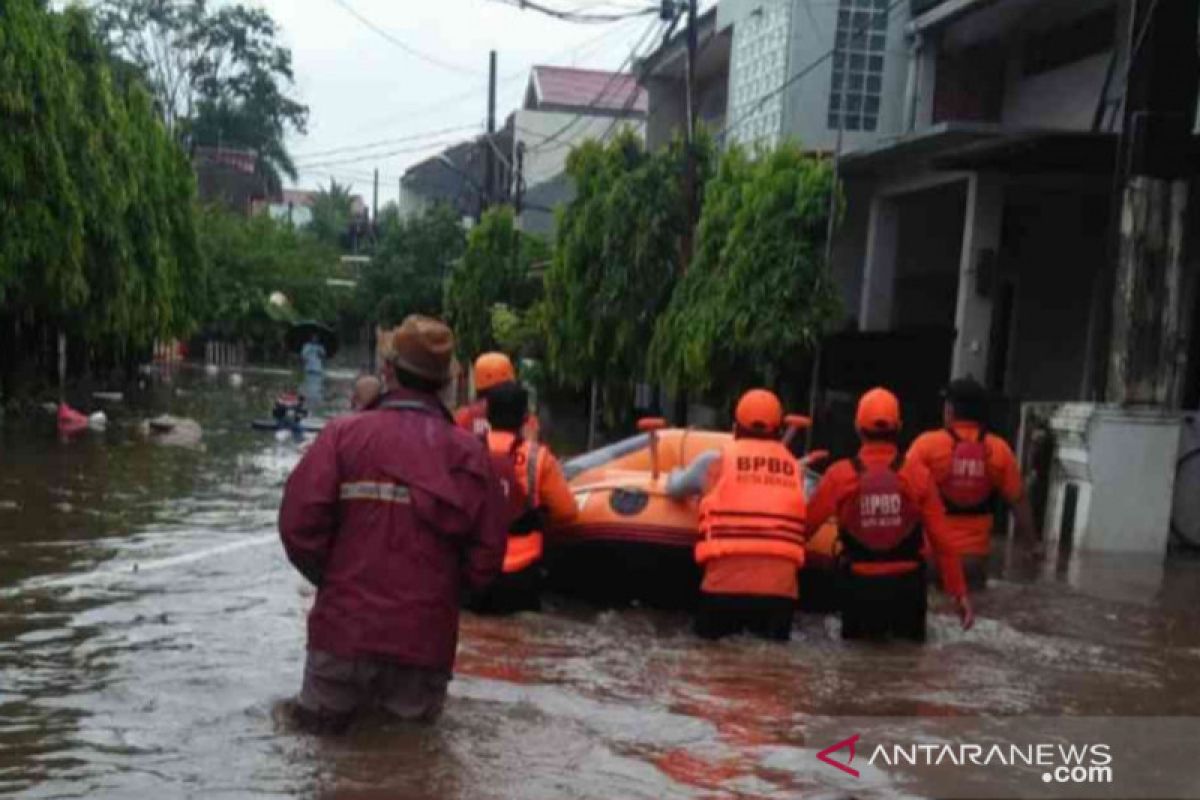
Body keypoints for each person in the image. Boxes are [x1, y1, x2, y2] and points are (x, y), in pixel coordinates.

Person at [279, 315, 508, 733]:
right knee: (413, 769)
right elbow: (488, 557)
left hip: (343, 634)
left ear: (387, 372)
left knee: (324, 767)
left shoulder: (342, 436)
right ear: (447, 382)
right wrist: (440, 598)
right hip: (424, 645)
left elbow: (298, 526)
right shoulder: (471, 457)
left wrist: (337, 581)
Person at [805, 388, 974, 642]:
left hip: (858, 590)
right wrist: (959, 594)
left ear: (857, 428)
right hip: (907, 591)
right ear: (899, 427)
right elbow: (943, 541)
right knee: (905, 671)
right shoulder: (918, 475)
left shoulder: (838, 476)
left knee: (856, 674)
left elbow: (804, 529)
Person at [669, 389, 807, 642]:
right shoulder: (795, 469)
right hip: (779, 596)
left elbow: (675, 488)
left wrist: (675, 470)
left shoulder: (714, 461)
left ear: (735, 428)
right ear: (778, 430)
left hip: (724, 590)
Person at [906, 377, 1040, 585]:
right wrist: (1032, 546)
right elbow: (1019, 502)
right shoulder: (999, 450)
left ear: (949, 409)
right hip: (973, 564)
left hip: (932, 560)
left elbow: (903, 498)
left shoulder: (926, 446)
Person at [472, 382, 578, 613]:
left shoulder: (467, 451)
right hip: (520, 570)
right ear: (525, 417)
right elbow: (568, 512)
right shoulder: (538, 458)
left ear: (487, 414)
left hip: (472, 568)